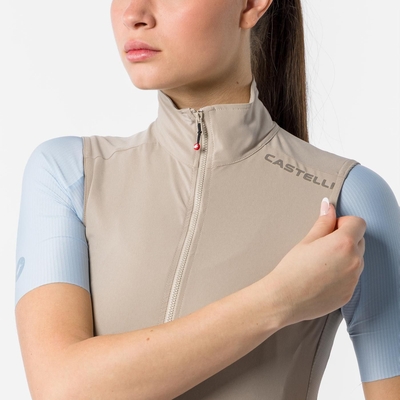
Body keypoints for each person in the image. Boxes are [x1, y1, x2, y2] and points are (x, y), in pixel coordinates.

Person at [15, 0, 400, 399]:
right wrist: (279, 299)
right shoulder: (70, 173)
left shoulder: (349, 197)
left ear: (251, 5)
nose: (134, 13)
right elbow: (60, 388)